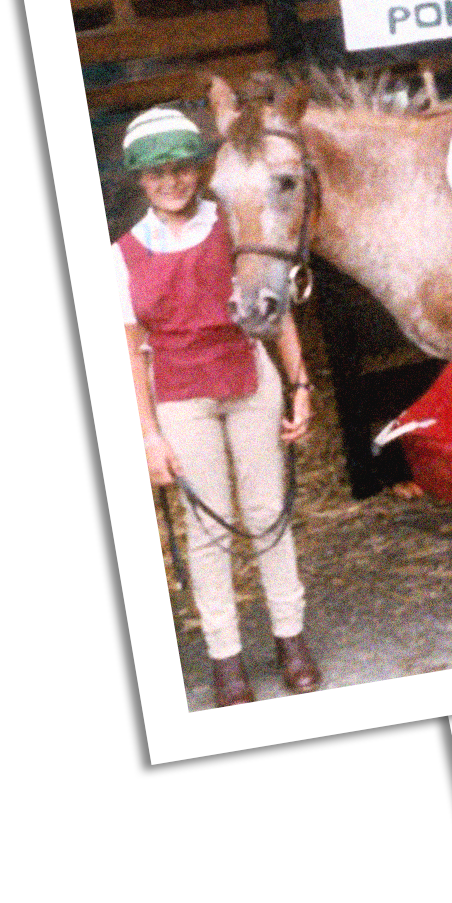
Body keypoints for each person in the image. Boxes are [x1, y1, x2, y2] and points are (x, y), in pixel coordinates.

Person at [115, 103, 322, 706]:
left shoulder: (234, 223)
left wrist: (300, 383)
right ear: (141, 181)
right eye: (157, 174)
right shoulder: (123, 256)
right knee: (206, 529)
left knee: (267, 513)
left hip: (249, 379)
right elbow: (133, 354)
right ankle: (225, 656)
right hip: (181, 397)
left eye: (181, 169)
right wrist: (149, 435)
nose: (171, 182)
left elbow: (273, 309)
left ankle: (290, 637)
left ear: (198, 172)